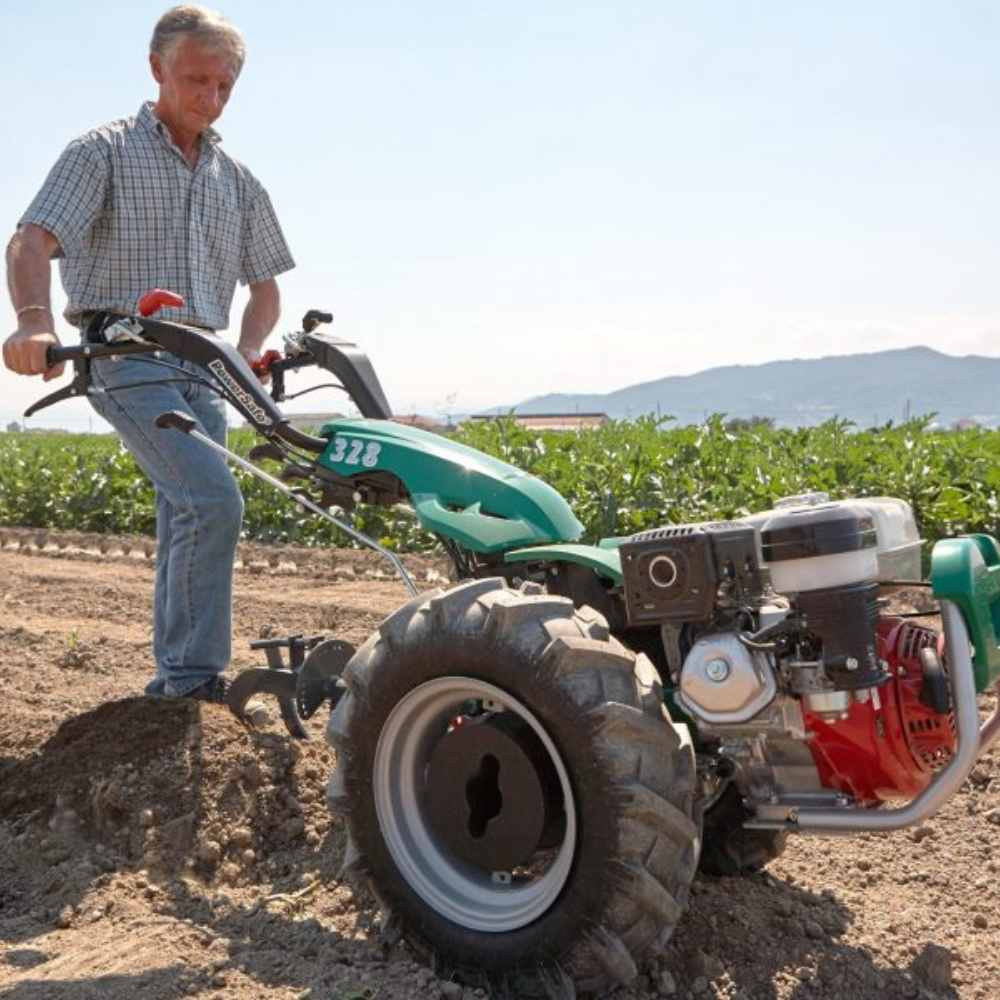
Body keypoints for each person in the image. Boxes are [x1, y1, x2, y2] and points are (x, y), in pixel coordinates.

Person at [2, 5, 295, 704]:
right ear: (158, 67)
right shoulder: (100, 152)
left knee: (186, 509)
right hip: (127, 356)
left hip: (206, 367)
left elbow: (265, 288)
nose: (211, 98)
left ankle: (172, 682)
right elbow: (31, 240)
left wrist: (248, 351)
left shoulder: (238, 179)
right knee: (211, 499)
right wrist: (33, 322)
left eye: (224, 86)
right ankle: (192, 681)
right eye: (197, 80)